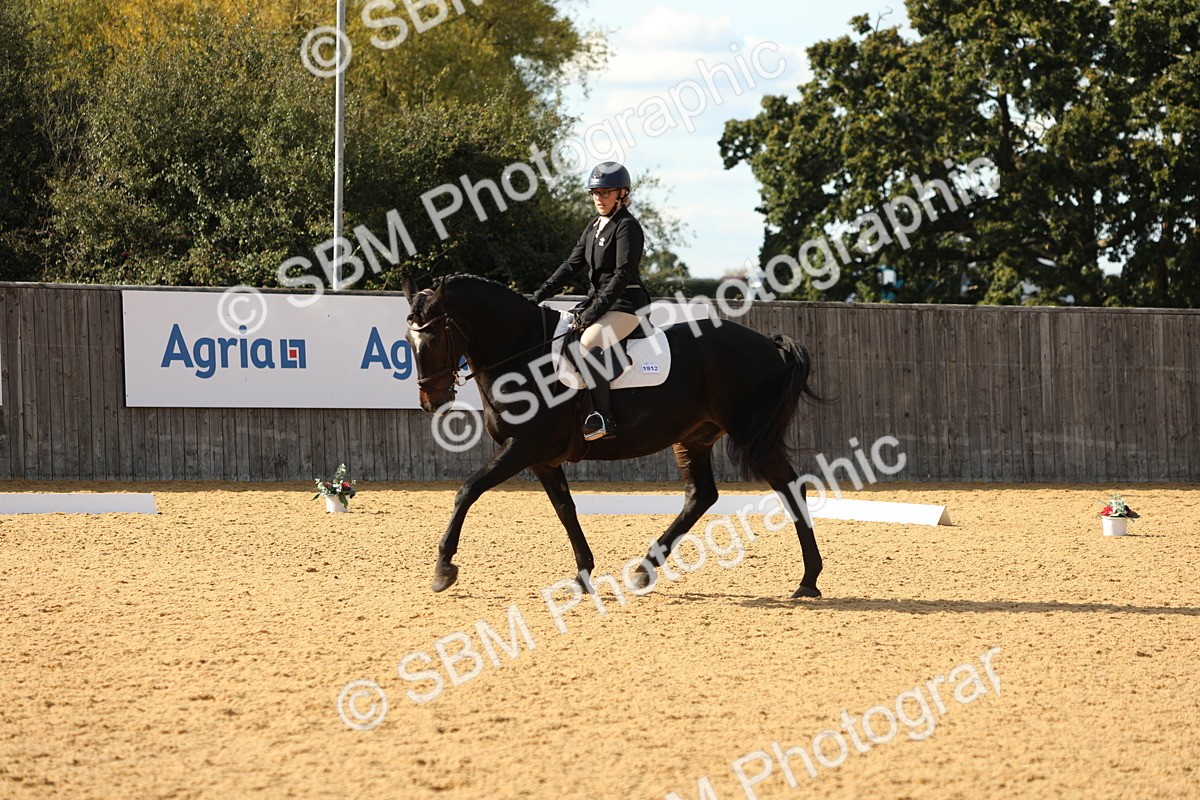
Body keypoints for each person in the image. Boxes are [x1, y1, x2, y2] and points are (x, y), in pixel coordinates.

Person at [532, 161, 651, 441]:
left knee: (589, 342)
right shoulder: (595, 225)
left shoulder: (627, 227)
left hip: (626, 305)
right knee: (559, 334)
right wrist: (538, 295)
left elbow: (621, 277)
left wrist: (592, 313)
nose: (599, 198)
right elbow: (571, 264)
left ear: (622, 194)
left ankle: (603, 419)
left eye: (606, 193)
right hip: (600, 302)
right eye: (595, 193)